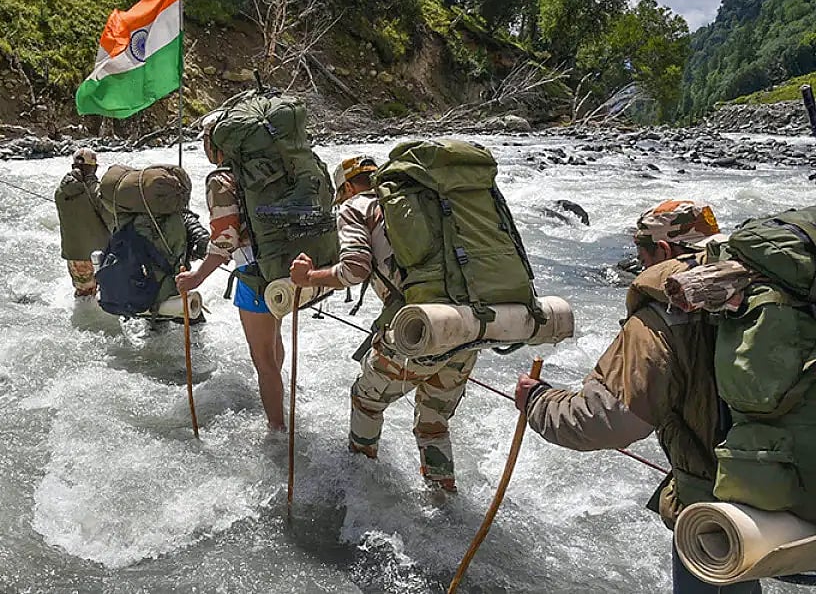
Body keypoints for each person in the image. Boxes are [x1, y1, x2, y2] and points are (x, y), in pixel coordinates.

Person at [512, 201, 748, 594]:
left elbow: (605, 420)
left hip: (725, 507)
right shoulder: (767, 289)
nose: (640, 268)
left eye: (642, 258)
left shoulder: (666, 315)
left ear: (665, 251)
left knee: (712, 557)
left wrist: (537, 400)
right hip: (795, 484)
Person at [290, 156, 477, 492]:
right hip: (469, 325)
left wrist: (309, 277)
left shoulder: (356, 206)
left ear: (348, 187)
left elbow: (354, 269)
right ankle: (443, 497)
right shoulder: (424, 203)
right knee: (433, 421)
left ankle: (361, 486)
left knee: (366, 399)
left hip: (419, 328)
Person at [176, 117, 287, 432]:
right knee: (273, 342)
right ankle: (278, 400)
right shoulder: (271, 168)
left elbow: (225, 241)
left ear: (217, 144)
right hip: (283, 266)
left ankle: (277, 430)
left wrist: (196, 278)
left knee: (263, 359)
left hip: (254, 274)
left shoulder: (221, 180)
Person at [55, 148, 111, 298]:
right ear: (93, 168)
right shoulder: (95, 191)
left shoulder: (60, 191)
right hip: (97, 255)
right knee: (106, 295)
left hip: (73, 255)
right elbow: (111, 221)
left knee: (83, 296)